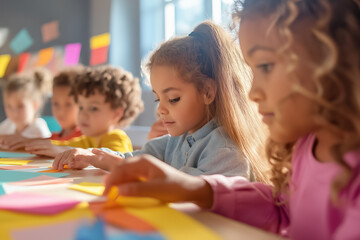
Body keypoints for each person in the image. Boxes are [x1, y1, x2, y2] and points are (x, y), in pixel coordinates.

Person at [100, 0, 360, 239]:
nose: (253, 92)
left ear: (331, 60)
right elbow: (281, 212)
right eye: (253, 69)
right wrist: (195, 188)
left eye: (266, 66)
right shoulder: (303, 148)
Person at [52, 21, 270, 182]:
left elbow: (201, 189)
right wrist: (92, 157)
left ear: (207, 92)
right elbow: (136, 157)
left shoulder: (224, 148)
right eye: (158, 98)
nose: (161, 110)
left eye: (173, 99)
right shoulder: (176, 140)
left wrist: (122, 166)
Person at [24, 65, 144, 158]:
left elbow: (112, 160)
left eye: (93, 108)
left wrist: (62, 150)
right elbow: (63, 145)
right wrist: (38, 144)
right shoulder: (88, 139)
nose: (83, 115)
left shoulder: (117, 138)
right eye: (81, 107)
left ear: (116, 114)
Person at [0, 66, 84, 150]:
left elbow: (70, 147)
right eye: (56, 103)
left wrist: (27, 142)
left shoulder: (86, 136)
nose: (60, 110)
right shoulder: (57, 136)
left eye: (68, 104)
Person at [0, 68, 52, 147]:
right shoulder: (7, 125)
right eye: (9, 106)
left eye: (20, 106)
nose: (14, 112)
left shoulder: (38, 128)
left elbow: (49, 146)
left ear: (35, 105)